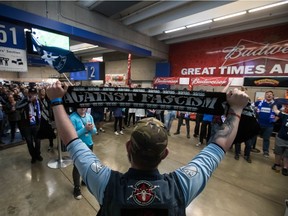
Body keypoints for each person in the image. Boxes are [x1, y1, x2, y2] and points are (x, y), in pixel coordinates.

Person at [46, 81, 249, 215]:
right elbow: (218, 146)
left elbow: (72, 141)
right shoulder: (181, 186)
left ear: (128, 147)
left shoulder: (106, 184)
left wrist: (56, 101)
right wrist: (237, 109)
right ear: (165, 154)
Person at [69, 107, 97, 199]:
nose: (83, 109)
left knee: (88, 165)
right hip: (78, 147)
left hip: (89, 144)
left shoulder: (89, 116)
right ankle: (76, 188)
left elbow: (95, 131)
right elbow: (72, 135)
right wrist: (85, 129)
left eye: (85, 107)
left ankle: (84, 180)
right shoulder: (72, 118)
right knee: (77, 167)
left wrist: (91, 128)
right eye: (80, 107)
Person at [254, 90, 276, 157]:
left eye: (270, 94)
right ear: (265, 96)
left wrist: (275, 119)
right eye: (267, 94)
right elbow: (251, 106)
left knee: (266, 139)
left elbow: (281, 113)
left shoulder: (276, 104)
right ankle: (251, 148)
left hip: (269, 125)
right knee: (253, 136)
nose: (269, 95)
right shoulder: (259, 102)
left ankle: (265, 151)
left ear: (273, 96)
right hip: (259, 123)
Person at [271, 102, 288, 176]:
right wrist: (275, 102)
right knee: (278, 152)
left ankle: (285, 167)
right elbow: (275, 110)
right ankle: (276, 164)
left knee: (287, 155)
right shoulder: (285, 115)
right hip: (281, 137)